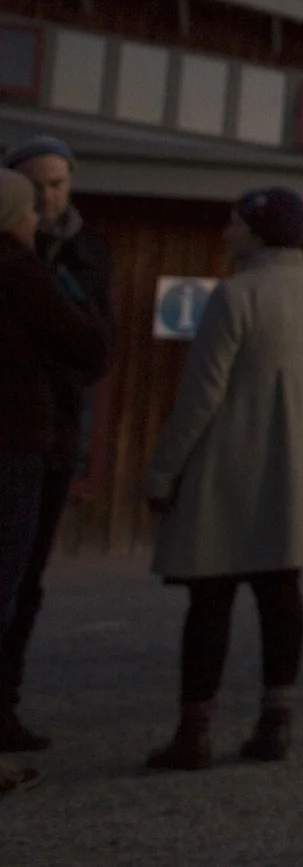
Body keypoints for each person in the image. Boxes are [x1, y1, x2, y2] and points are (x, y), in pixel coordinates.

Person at [141, 187, 303, 772]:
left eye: (233, 224)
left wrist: (163, 468)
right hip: (290, 466)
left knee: (210, 598)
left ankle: (194, 731)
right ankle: (275, 721)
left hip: (223, 465)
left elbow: (202, 394)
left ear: (257, 231)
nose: (225, 233)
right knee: (281, 593)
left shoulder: (235, 296)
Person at [0, 136, 115, 758]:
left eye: (56, 184)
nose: (46, 196)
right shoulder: (17, 256)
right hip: (17, 431)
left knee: (24, 578)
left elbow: (99, 343)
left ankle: (6, 701)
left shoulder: (84, 252)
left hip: (52, 431)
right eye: (34, 185)